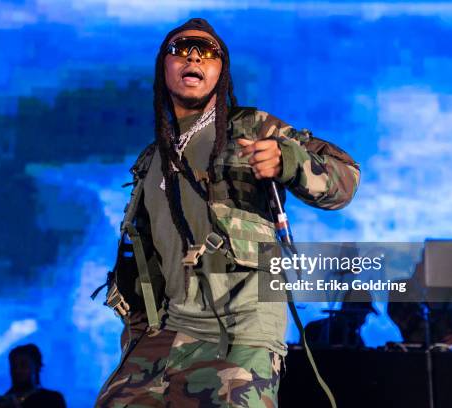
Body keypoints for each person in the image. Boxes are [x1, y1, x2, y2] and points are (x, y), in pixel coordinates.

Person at [96, 18, 360, 407]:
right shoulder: (151, 159)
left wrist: (289, 161)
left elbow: (346, 181)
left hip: (237, 333)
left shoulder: (251, 127)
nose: (195, 57)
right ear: (163, 67)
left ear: (222, 71)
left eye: (208, 52)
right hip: (162, 334)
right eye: (182, 48)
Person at [0, 344, 66, 408]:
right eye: (14, 366)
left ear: (36, 367)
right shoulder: (2, 402)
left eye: (23, 365)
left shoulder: (52, 400)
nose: (17, 371)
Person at [304, 290, 378, 348]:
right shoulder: (317, 329)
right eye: (365, 313)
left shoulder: (354, 337)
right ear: (351, 307)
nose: (365, 320)